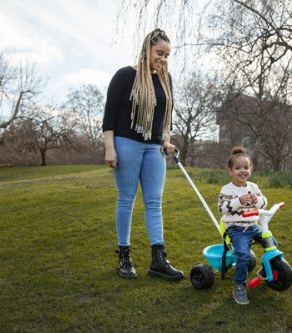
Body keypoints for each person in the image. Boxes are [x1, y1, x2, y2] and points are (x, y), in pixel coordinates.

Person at [102, 28, 184, 281]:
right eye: (160, 52)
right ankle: (124, 257)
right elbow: (109, 115)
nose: (163, 58)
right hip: (126, 142)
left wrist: (167, 141)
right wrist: (109, 147)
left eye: (167, 55)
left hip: (154, 148)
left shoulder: (165, 79)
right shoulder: (125, 76)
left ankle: (158, 259)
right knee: (127, 199)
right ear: (146, 49)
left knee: (154, 202)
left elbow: (166, 116)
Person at [218, 146, 268, 305]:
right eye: (238, 168)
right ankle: (239, 285)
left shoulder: (253, 187)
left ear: (251, 169)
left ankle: (267, 270)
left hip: (253, 226)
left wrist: (257, 201)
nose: (242, 171)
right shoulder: (227, 189)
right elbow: (222, 208)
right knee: (244, 255)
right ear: (230, 171)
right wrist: (238, 202)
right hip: (236, 229)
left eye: (246, 167)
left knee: (272, 244)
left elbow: (264, 203)